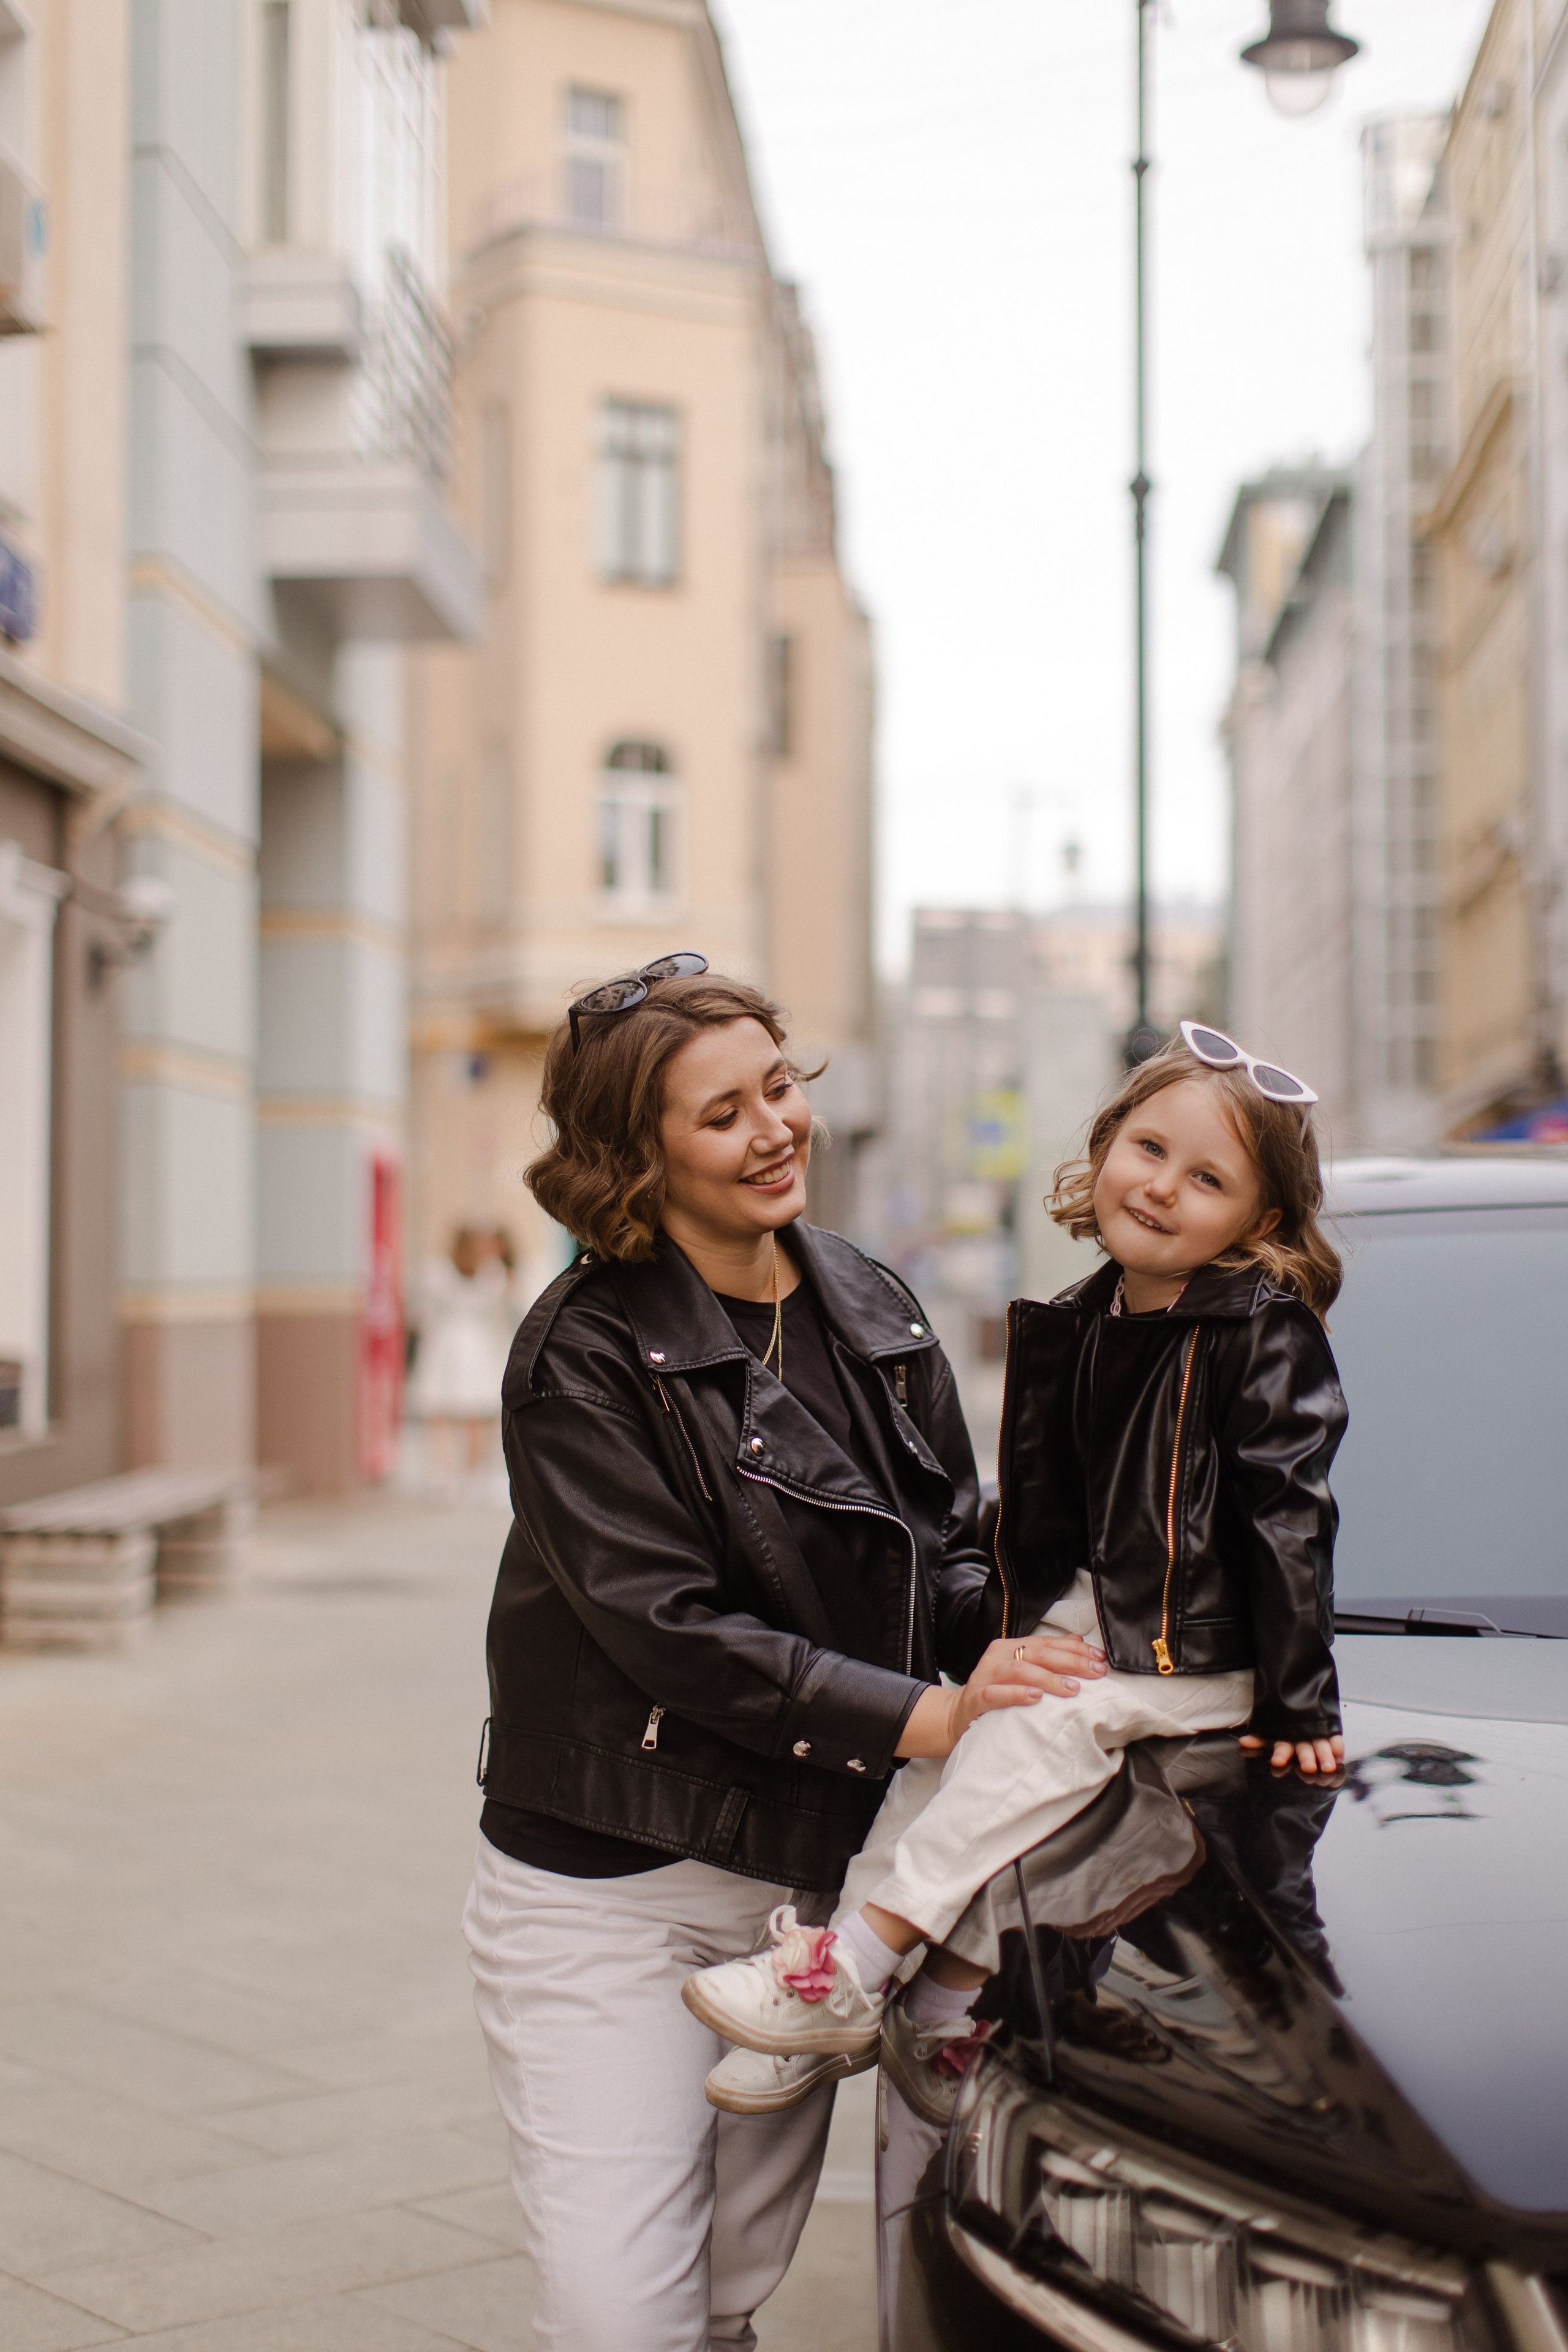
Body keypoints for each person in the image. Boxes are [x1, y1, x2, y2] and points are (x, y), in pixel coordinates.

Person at [460, 956, 1098, 2352]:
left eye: (777, 1086)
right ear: (637, 1154)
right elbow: (669, 1629)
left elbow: (948, 1551)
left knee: (729, 2289)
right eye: (718, 1113)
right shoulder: (581, 1353)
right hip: (604, 1888)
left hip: (795, 1889)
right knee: (621, 2313)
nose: (772, 1128)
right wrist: (931, 1717)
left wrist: (1054, 1641)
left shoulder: (868, 1303)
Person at [684, 1024, 1349, 2116]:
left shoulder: (1260, 1332)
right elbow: (1041, 1519)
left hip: (1200, 1646)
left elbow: (1291, 1519)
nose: (1165, 1188)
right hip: (1112, 1621)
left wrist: (1300, 1699)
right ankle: (901, 1998)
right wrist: (996, 1635)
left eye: (1209, 1179)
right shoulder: (1086, 1319)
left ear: (1260, 1222)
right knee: (944, 1766)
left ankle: (855, 1966)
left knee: (1025, 1745)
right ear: (1104, 1146)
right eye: (1149, 1150)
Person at [407, 1224, 516, 1488]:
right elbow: (502, 1308)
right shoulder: (492, 1272)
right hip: (478, 1345)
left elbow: (421, 1313)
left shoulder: (436, 1272)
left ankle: (445, 1476)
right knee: (476, 1414)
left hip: (444, 1343)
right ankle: (472, 1476)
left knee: (440, 1412)